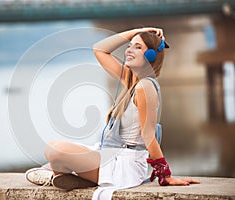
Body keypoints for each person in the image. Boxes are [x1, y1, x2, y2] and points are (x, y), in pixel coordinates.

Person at [25, 27, 200, 199]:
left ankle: (61, 176)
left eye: (138, 47)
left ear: (151, 56)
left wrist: (165, 174)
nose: (129, 50)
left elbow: (149, 136)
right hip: (109, 153)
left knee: (56, 152)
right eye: (129, 45)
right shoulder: (131, 80)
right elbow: (99, 49)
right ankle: (68, 177)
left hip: (123, 165)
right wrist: (137, 31)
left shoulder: (144, 87)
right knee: (53, 150)